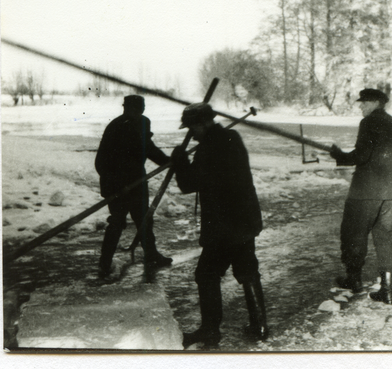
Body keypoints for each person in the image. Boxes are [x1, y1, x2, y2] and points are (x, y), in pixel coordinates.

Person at [172, 103, 267, 349]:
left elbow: (189, 184)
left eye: (192, 127)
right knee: (247, 271)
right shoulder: (232, 138)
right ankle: (260, 325)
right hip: (245, 220)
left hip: (224, 226)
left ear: (203, 123)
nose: (190, 133)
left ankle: (209, 331)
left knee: (206, 274)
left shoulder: (208, 149)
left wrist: (180, 162)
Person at [330, 88, 392, 305]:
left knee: (354, 235)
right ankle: (387, 290)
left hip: (365, 192)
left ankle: (354, 280)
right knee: (388, 239)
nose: (361, 106)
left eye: (365, 102)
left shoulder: (368, 123)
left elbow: (362, 155)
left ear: (376, 102)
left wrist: (339, 156)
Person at [95, 95, 172, 278]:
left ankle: (151, 254)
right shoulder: (115, 127)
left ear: (143, 109)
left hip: (137, 181)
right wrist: (116, 186)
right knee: (117, 222)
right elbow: (101, 162)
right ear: (124, 108)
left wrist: (168, 161)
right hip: (117, 185)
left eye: (138, 109)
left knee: (144, 219)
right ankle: (105, 262)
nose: (134, 112)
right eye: (130, 108)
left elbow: (148, 148)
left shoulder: (144, 123)